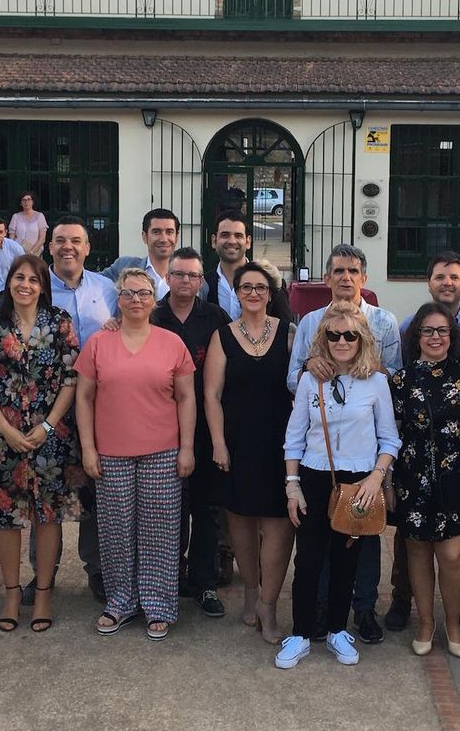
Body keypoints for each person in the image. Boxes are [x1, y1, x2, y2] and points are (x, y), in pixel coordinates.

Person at [287, 243, 402, 644]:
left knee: (363, 536)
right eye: (337, 271)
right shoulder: (310, 323)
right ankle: (319, 612)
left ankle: (363, 609)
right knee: (318, 540)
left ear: (364, 278)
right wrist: (308, 366)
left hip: (364, 453)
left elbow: (394, 381)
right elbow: (293, 379)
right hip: (322, 456)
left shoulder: (384, 323)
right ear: (327, 277)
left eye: (353, 271)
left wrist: (362, 367)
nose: (345, 278)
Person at [76, 267, 196, 640]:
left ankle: (158, 604)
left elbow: (186, 397)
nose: (136, 300)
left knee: (160, 531)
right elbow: (84, 397)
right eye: (128, 294)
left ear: (152, 299)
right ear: (119, 299)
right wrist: (88, 448)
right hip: (111, 452)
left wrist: (187, 448)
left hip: (162, 450)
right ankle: (121, 603)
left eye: (143, 293)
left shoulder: (171, 343)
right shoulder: (98, 342)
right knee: (115, 531)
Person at [0, 253, 82, 634]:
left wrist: (48, 426)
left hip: (49, 439)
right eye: (19, 278)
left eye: (33, 280)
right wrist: (4, 428)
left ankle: (45, 593)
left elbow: (71, 379)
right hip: (3, 439)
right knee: (7, 518)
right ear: (9, 282)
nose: (25, 285)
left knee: (48, 516)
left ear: (43, 286)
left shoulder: (60, 323)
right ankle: (13, 594)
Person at [386, 252, 460, 639]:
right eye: (440, 276)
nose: (434, 336)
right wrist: (387, 477)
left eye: (454, 276)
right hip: (413, 475)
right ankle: (407, 605)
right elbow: (391, 428)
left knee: (457, 552)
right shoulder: (403, 362)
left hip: (457, 471)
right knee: (412, 547)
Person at [205, 260, 296, 642]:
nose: (254, 293)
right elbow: (211, 393)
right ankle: (250, 591)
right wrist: (219, 443)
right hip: (238, 442)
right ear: (236, 293)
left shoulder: (289, 333)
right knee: (241, 522)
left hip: (281, 442)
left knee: (278, 524)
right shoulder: (222, 336)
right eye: (247, 287)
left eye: (261, 287)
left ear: (271, 293)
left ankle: (269, 605)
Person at [144, 248, 232, 617]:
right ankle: (168, 578)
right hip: (160, 429)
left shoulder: (215, 318)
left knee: (207, 509)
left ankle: (204, 583)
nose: (185, 281)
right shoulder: (151, 315)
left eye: (193, 276)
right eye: (179, 274)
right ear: (167, 278)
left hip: (206, 429)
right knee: (167, 511)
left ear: (201, 281)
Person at [48, 217, 118, 600]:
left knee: (95, 487)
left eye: (76, 240)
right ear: (50, 246)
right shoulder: (35, 287)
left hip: (99, 405)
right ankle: (43, 573)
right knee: (46, 491)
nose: (68, 247)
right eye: (61, 240)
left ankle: (97, 569)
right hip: (46, 407)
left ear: (88, 248)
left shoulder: (106, 288)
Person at [103, 207, 180, 299]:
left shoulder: (189, 275)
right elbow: (90, 282)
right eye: (156, 232)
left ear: (176, 237)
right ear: (144, 236)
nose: (163, 239)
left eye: (169, 232)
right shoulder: (124, 266)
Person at [205, 211, 251, 319]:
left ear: (248, 242)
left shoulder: (267, 283)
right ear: (214, 241)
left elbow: (284, 329)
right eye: (225, 235)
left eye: (238, 235)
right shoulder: (204, 285)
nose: (231, 241)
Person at [10, 190, 48, 257]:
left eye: (29, 199)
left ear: (33, 202)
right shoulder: (16, 216)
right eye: (23, 200)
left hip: (35, 253)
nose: (26, 202)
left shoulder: (39, 216)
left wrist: (32, 252)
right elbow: (11, 237)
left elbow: (42, 238)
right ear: (20, 203)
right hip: (19, 253)